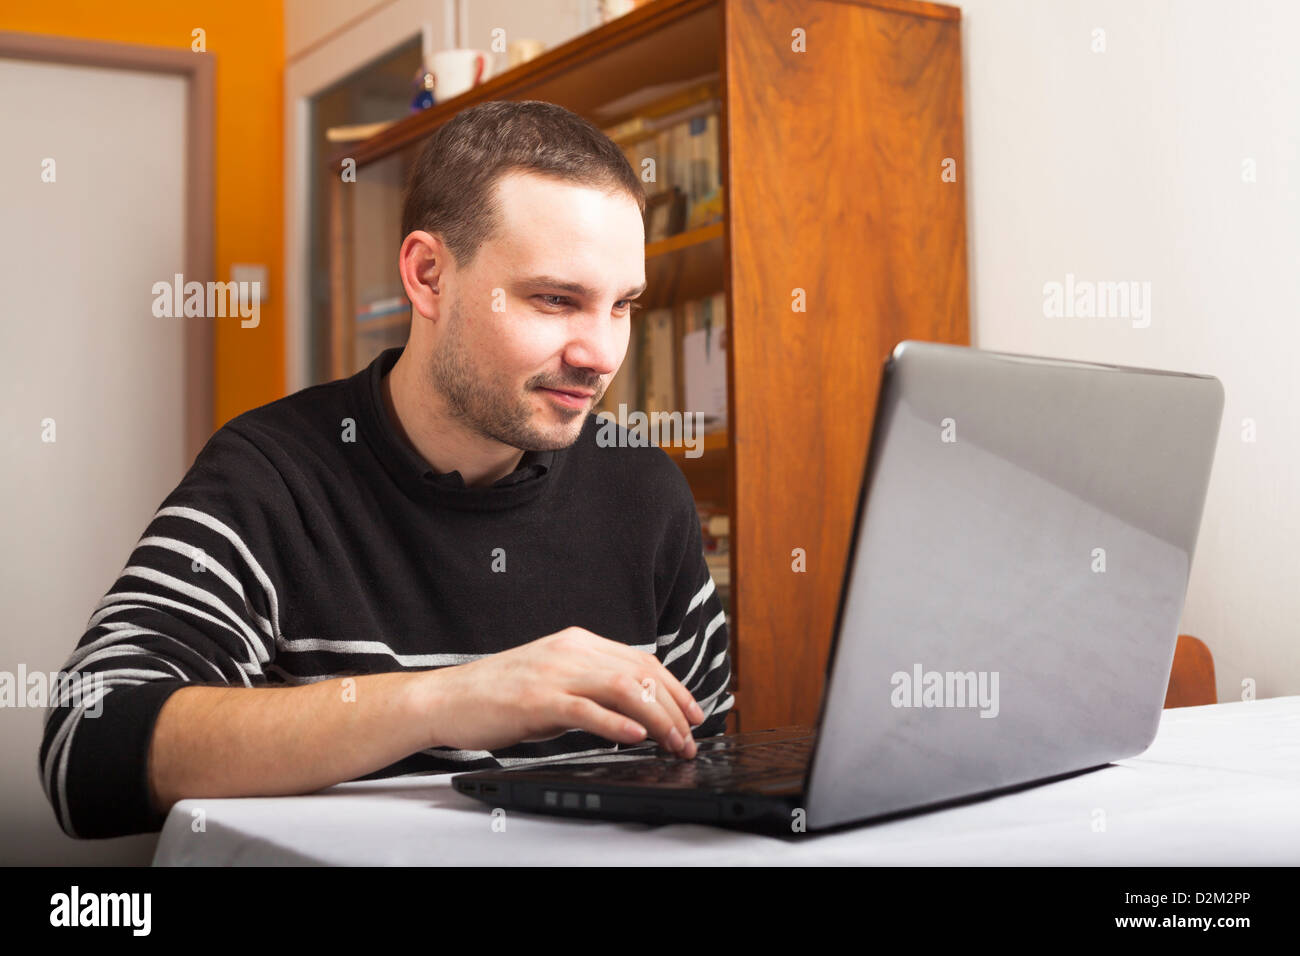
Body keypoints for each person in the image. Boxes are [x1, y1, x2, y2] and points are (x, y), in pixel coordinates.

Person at [39, 99, 733, 839]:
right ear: (429, 275)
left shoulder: (643, 489)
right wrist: (443, 700)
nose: (600, 354)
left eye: (621, 305)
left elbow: (715, 767)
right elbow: (86, 746)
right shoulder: (272, 475)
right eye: (556, 300)